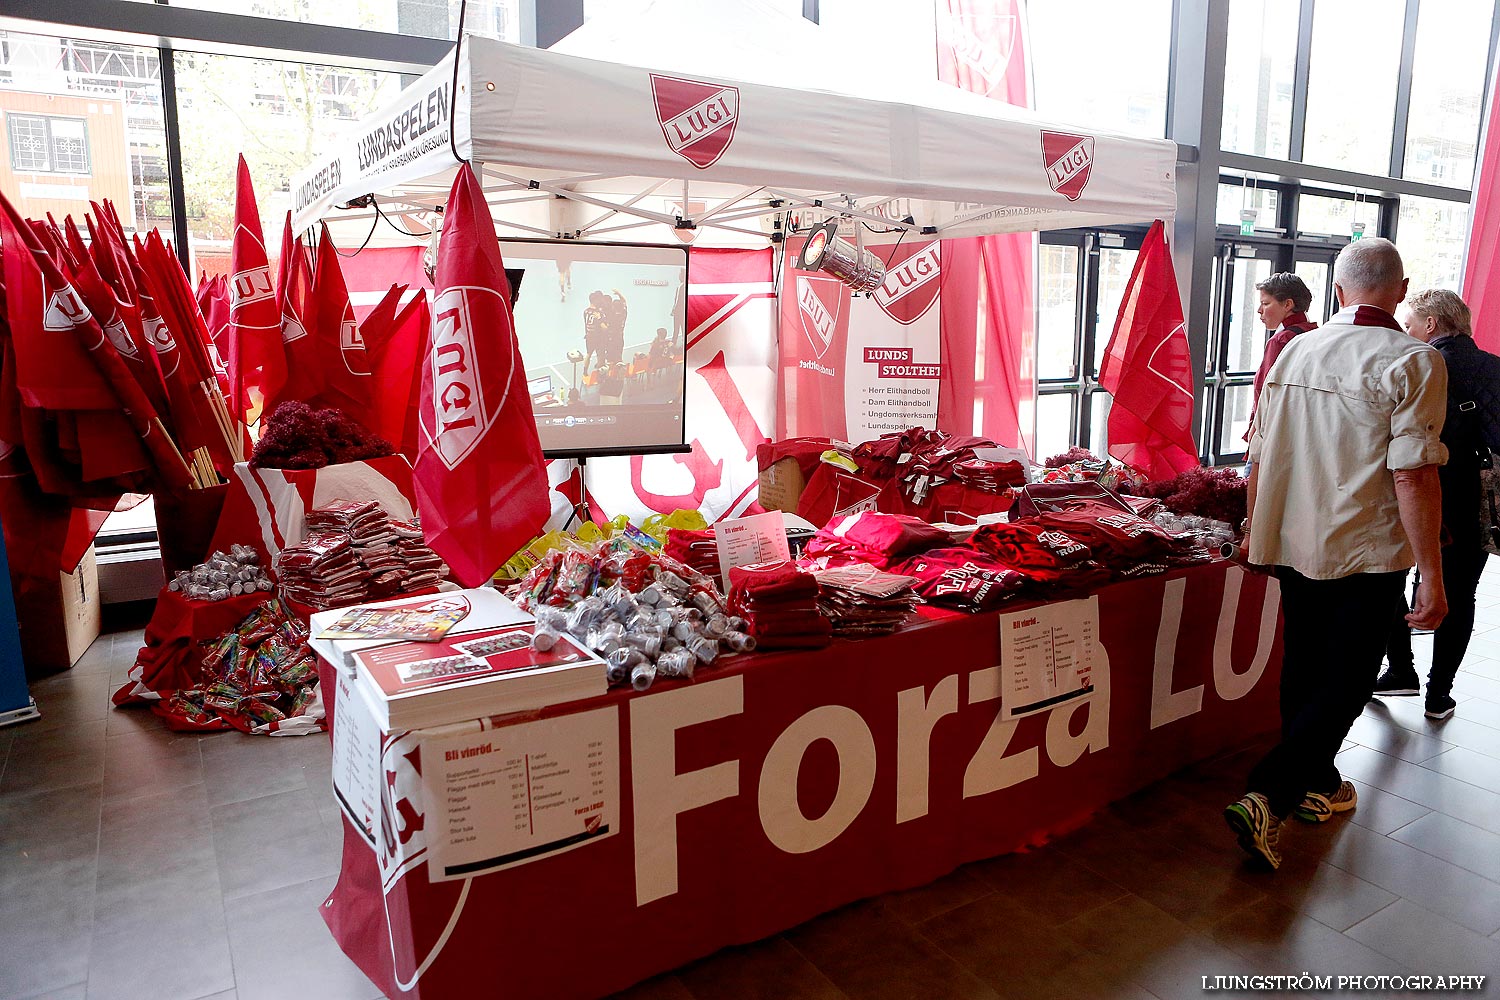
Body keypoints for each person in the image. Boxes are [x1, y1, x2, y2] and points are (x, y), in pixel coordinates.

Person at [1225, 238, 1448, 871]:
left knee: (1303, 664)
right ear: (1400, 293)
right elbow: (1414, 475)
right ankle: (1271, 791)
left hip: (1294, 537)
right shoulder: (1414, 360)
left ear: (1338, 290)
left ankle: (1317, 785)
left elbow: (1260, 453)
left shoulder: (1298, 347)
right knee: (1349, 677)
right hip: (1366, 547)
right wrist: (1430, 574)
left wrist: (1252, 526)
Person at [1373, 289, 1500, 719]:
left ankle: (1401, 671)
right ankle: (1439, 693)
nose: (1407, 332)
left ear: (1430, 325)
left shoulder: (1422, 366)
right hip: (1478, 502)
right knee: (1461, 593)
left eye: (1410, 324)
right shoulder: (1495, 368)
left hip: (1421, 493)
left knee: (1394, 579)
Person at [1245, 273, 1319, 443]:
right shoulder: (1315, 333)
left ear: (1287, 304)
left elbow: (1265, 391)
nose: (1259, 310)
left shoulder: (1281, 340)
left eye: (1265, 303)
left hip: (1273, 432)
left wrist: (1255, 431)